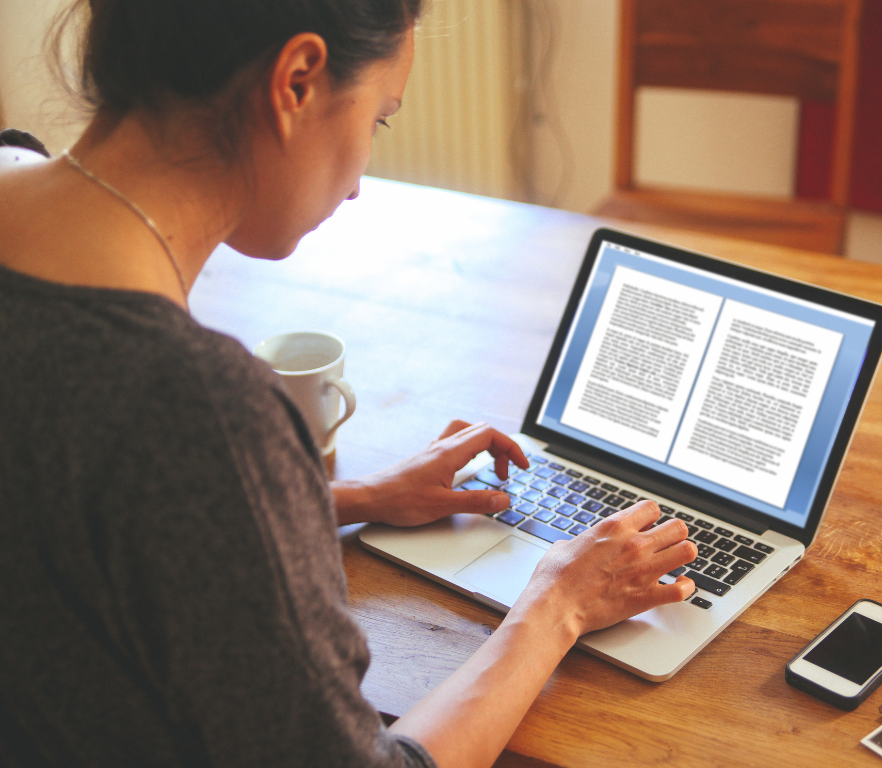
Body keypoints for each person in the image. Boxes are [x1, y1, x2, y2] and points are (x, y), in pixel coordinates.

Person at [0, 1, 699, 766]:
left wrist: (343, 498)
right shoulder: (195, 411)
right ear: (296, 81)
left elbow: (75, 507)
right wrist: (557, 604)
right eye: (380, 119)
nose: (363, 178)